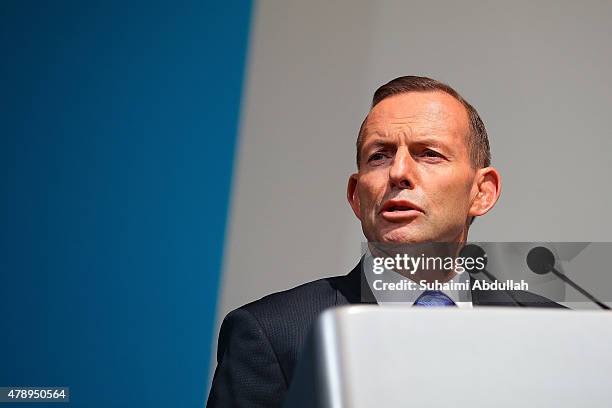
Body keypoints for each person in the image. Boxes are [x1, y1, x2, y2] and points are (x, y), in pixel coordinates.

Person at [206, 76, 563, 408]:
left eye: (429, 153)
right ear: (356, 196)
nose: (399, 173)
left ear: (482, 192)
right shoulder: (273, 333)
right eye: (380, 156)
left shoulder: (553, 332)